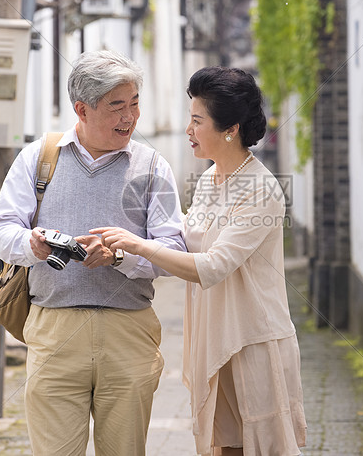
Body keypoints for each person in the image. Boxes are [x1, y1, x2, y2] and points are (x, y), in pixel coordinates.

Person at [92, 66, 306, 455]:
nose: (188, 130)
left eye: (196, 120)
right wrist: (121, 252)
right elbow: (184, 247)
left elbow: (211, 266)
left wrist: (139, 245)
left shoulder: (260, 190)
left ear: (231, 128)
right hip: (213, 337)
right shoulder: (209, 180)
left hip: (251, 340)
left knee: (257, 446)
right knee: (219, 447)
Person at [0, 50, 186, 456]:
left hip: (128, 333)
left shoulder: (152, 167)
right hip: (53, 329)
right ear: (82, 109)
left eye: (134, 105)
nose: (129, 117)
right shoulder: (40, 157)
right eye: (116, 106)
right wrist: (33, 244)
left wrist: (120, 256)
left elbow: (173, 250)